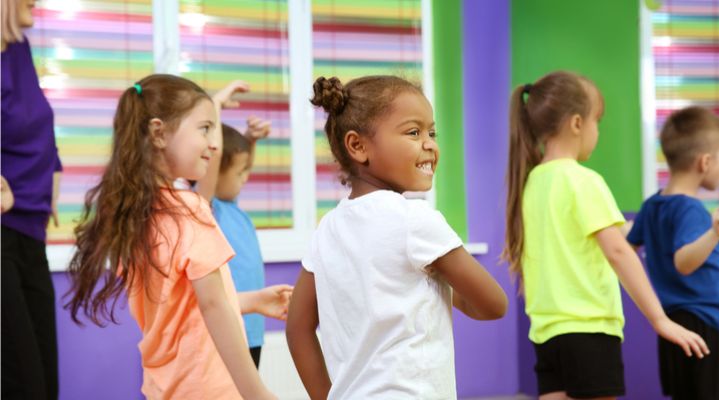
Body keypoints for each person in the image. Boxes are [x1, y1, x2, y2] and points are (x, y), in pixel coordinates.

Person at [286, 75, 508, 399]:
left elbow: (298, 329)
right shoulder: (415, 220)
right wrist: (443, 281)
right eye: (413, 132)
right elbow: (493, 304)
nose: (430, 144)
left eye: (432, 132)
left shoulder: (328, 229)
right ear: (358, 146)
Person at [65, 74, 277, 399]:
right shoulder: (188, 210)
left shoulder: (136, 217)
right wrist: (259, 394)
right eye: (204, 128)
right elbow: (212, 305)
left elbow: (182, 309)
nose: (213, 143)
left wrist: (251, 301)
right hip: (209, 389)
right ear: (158, 133)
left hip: (166, 388)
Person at [504, 71, 709, 400]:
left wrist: (632, 230)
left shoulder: (531, 183)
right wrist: (660, 320)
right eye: (597, 121)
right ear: (576, 124)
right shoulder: (583, 181)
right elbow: (617, 252)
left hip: (546, 334)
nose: (597, 130)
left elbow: (580, 238)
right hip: (589, 330)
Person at [627, 106, 719, 400]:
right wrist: (715, 232)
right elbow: (684, 262)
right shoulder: (690, 208)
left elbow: (628, 244)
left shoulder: (653, 205)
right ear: (704, 162)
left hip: (674, 326)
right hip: (703, 327)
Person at [194, 80, 293, 367]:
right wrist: (214, 107)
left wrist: (250, 141)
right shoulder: (208, 210)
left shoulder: (233, 208)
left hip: (251, 330)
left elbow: (233, 166)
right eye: (240, 173)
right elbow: (214, 164)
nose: (246, 178)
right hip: (227, 331)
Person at [2, 0, 61, 397]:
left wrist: (52, 169)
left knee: (44, 375)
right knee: (24, 381)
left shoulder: (19, 49)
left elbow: (38, 121)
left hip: (31, 227)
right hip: (2, 231)